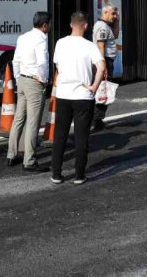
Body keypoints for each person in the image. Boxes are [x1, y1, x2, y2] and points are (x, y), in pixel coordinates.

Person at [50, 12, 106, 185]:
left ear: (70, 25)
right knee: (81, 136)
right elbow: (101, 66)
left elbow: (58, 66)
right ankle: (79, 175)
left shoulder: (60, 43)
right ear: (86, 26)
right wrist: (94, 86)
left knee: (60, 135)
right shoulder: (89, 46)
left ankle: (57, 174)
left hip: (63, 94)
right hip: (83, 95)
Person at [7, 11, 51, 170]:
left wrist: (18, 80)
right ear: (45, 25)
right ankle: (29, 160)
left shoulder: (22, 37)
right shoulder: (41, 39)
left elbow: (15, 61)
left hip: (23, 81)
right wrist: (44, 81)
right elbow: (42, 63)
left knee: (19, 118)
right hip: (34, 82)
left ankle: (11, 154)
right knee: (33, 122)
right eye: (49, 24)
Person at [91, 4, 120, 131]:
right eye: (113, 14)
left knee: (105, 91)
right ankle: (95, 120)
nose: (115, 16)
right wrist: (103, 66)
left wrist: (117, 21)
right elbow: (100, 47)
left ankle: (97, 119)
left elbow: (115, 35)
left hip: (106, 61)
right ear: (105, 13)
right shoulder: (102, 27)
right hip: (104, 62)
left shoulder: (106, 26)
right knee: (103, 91)